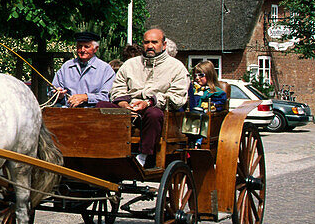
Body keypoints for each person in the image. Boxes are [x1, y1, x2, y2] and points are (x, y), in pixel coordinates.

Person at [102, 27, 189, 168]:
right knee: (101, 107)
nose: (150, 46)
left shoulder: (176, 67)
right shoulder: (130, 65)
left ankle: (143, 156)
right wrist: (123, 103)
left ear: (164, 45)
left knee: (154, 114)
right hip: (127, 108)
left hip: (154, 109)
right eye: (146, 42)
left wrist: (148, 102)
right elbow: (117, 88)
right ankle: (106, 151)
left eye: (154, 42)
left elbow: (177, 97)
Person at [51, 31, 116, 107]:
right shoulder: (66, 67)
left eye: (86, 47)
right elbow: (52, 92)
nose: (82, 50)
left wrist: (86, 97)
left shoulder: (105, 70)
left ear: (96, 49)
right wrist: (59, 95)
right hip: (67, 112)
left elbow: (106, 97)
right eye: (79, 46)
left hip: (94, 114)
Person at [186, 60, 228, 147]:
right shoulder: (193, 89)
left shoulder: (215, 91)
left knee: (202, 116)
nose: (197, 78)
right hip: (191, 116)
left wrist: (212, 105)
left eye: (201, 75)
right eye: (195, 75)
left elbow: (221, 103)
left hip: (206, 119)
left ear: (209, 75)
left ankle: (197, 142)